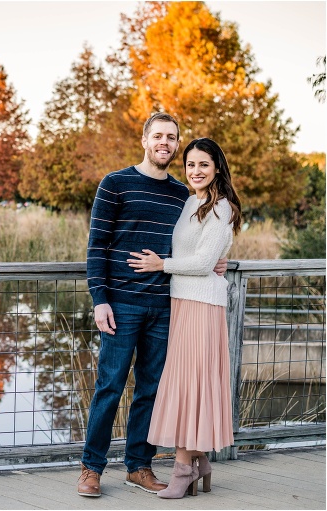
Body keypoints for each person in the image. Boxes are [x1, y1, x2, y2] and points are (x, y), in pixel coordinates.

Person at [78, 113, 227, 498]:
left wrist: (218, 260)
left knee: (151, 388)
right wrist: (100, 300)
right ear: (144, 139)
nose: (165, 142)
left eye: (172, 137)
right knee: (109, 386)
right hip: (121, 305)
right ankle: (91, 468)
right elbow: (96, 247)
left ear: (177, 144)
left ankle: (139, 466)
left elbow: (199, 240)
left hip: (165, 306)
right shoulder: (115, 183)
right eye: (158, 135)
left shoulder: (183, 194)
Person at [127, 137, 242, 498]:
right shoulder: (191, 201)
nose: (196, 171)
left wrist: (163, 265)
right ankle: (199, 461)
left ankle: (181, 470)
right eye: (190, 164)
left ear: (217, 168)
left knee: (190, 384)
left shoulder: (221, 207)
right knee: (185, 381)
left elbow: (205, 263)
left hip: (203, 306)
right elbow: (200, 255)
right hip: (181, 301)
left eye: (204, 165)